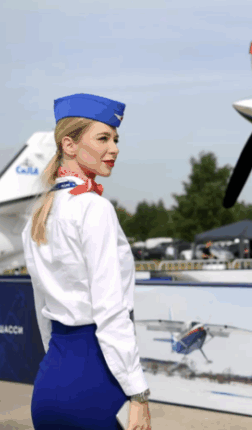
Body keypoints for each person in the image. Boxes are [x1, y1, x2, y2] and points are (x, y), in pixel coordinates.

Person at [22, 94, 151, 430]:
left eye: (116, 139)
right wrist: (138, 392)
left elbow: (41, 310)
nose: (114, 148)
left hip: (49, 384)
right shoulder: (95, 209)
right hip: (95, 383)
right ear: (69, 145)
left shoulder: (37, 215)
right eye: (103, 138)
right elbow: (111, 311)